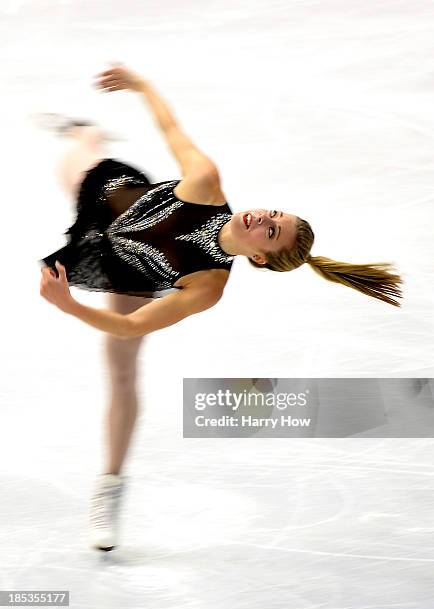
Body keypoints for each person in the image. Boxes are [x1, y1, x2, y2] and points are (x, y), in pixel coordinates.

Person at [36, 62, 403, 552]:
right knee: (76, 161)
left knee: (120, 369)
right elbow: (171, 128)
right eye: (274, 213)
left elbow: (132, 326)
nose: (262, 217)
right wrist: (142, 83)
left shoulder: (207, 285)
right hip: (110, 195)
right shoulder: (206, 181)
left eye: (269, 231)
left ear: (259, 255)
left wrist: (69, 307)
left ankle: (110, 486)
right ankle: (89, 133)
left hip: (128, 275)